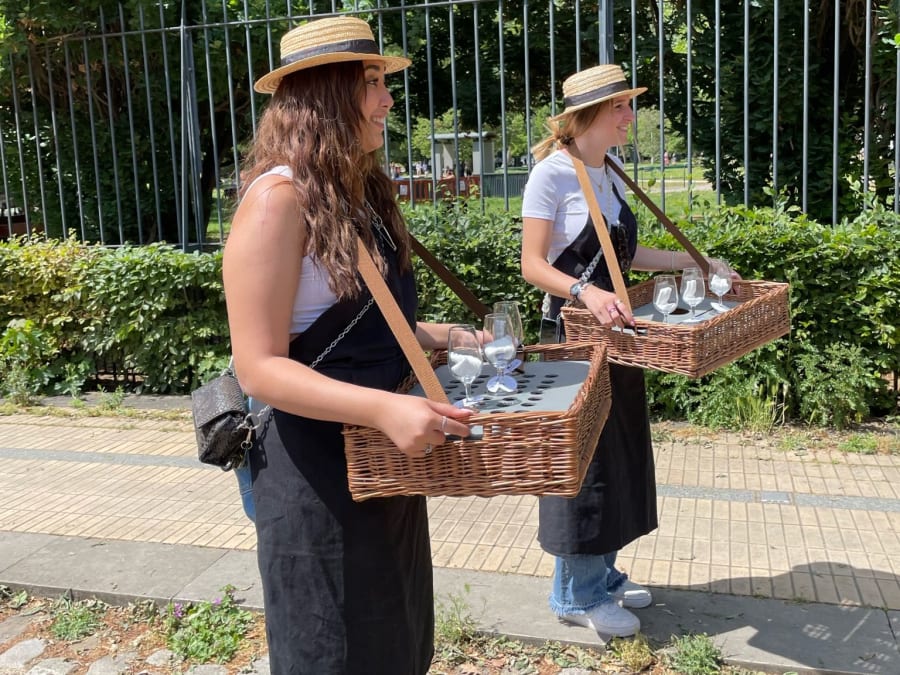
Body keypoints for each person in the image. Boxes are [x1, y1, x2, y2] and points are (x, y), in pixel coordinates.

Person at [222, 16, 474, 673]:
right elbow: (258, 367)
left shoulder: (354, 193)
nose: (388, 98)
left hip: (384, 462)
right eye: (371, 81)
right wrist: (385, 408)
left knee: (395, 639)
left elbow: (363, 326)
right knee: (331, 649)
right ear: (326, 95)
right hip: (314, 475)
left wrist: (449, 337)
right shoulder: (276, 202)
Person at [521, 64, 728, 639]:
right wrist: (585, 292)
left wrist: (692, 262)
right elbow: (532, 265)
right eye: (620, 107)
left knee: (617, 456)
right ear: (587, 115)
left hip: (619, 335)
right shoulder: (551, 174)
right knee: (585, 465)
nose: (629, 116)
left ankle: (603, 577)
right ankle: (575, 594)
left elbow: (623, 256)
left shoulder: (608, 171)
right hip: (575, 338)